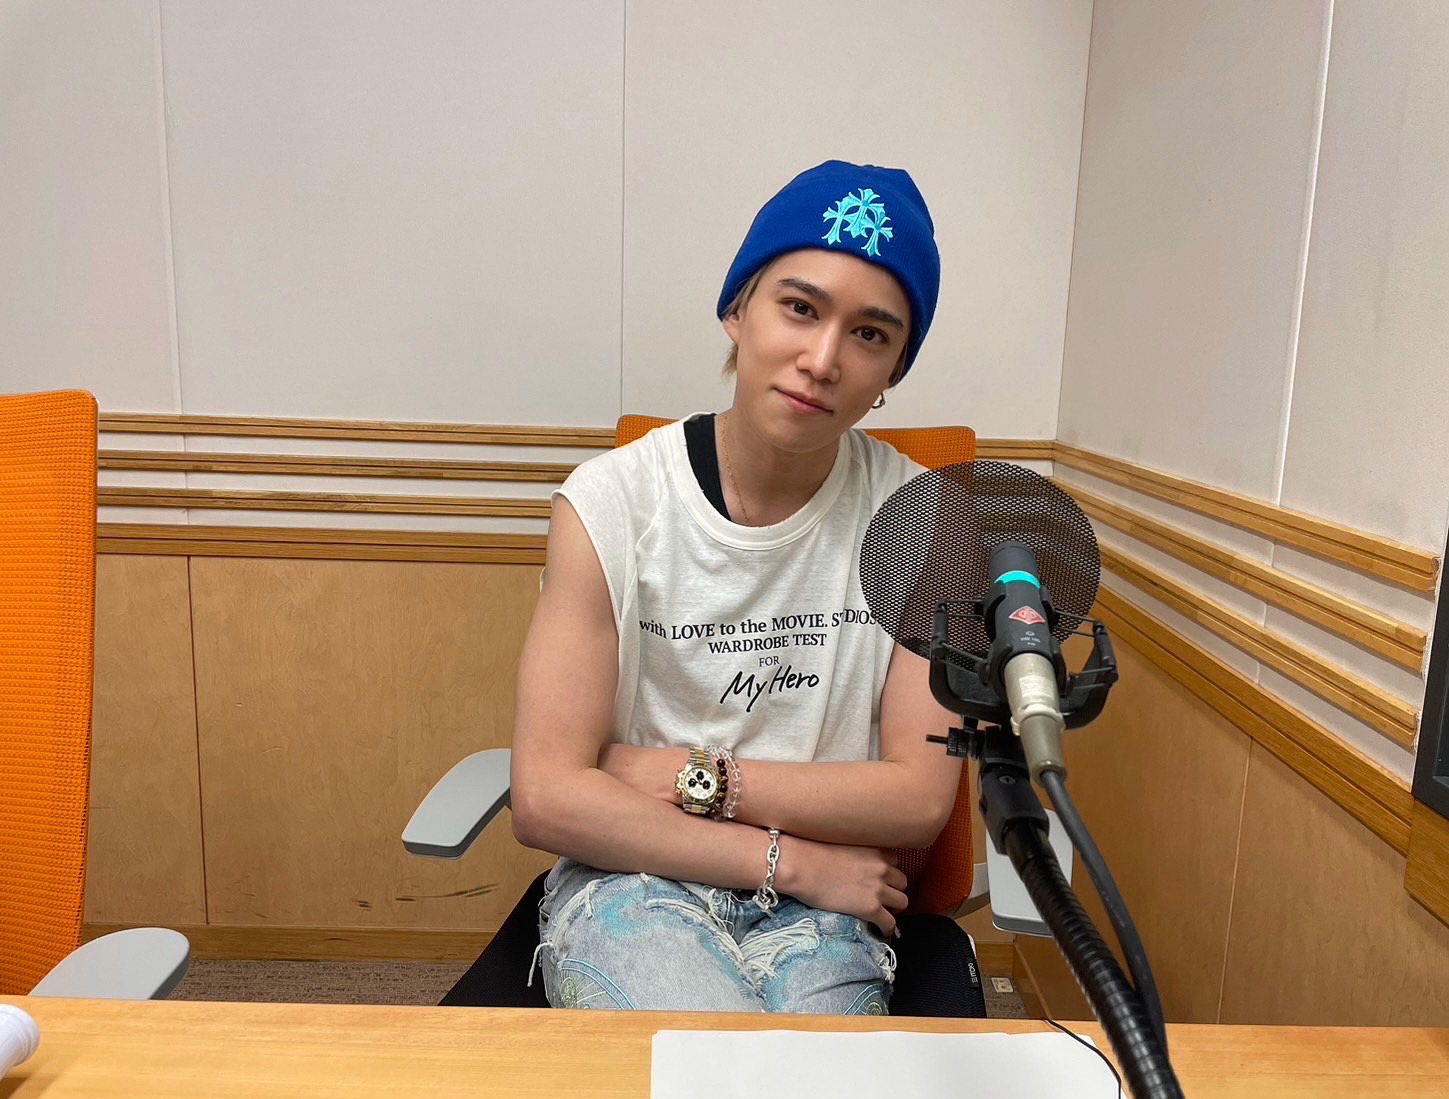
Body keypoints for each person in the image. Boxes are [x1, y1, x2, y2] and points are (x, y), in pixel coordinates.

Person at [510, 159, 962, 1014]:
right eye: (800, 308)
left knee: (810, 1073)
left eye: (870, 334)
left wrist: (684, 774)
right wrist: (792, 860)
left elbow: (916, 798)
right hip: (635, 876)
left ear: (893, 369)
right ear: (736, 310)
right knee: (711, 1061)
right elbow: (546, 797)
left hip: (830, 915)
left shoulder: (924, 521)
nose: (821, 359)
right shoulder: (611, 501)